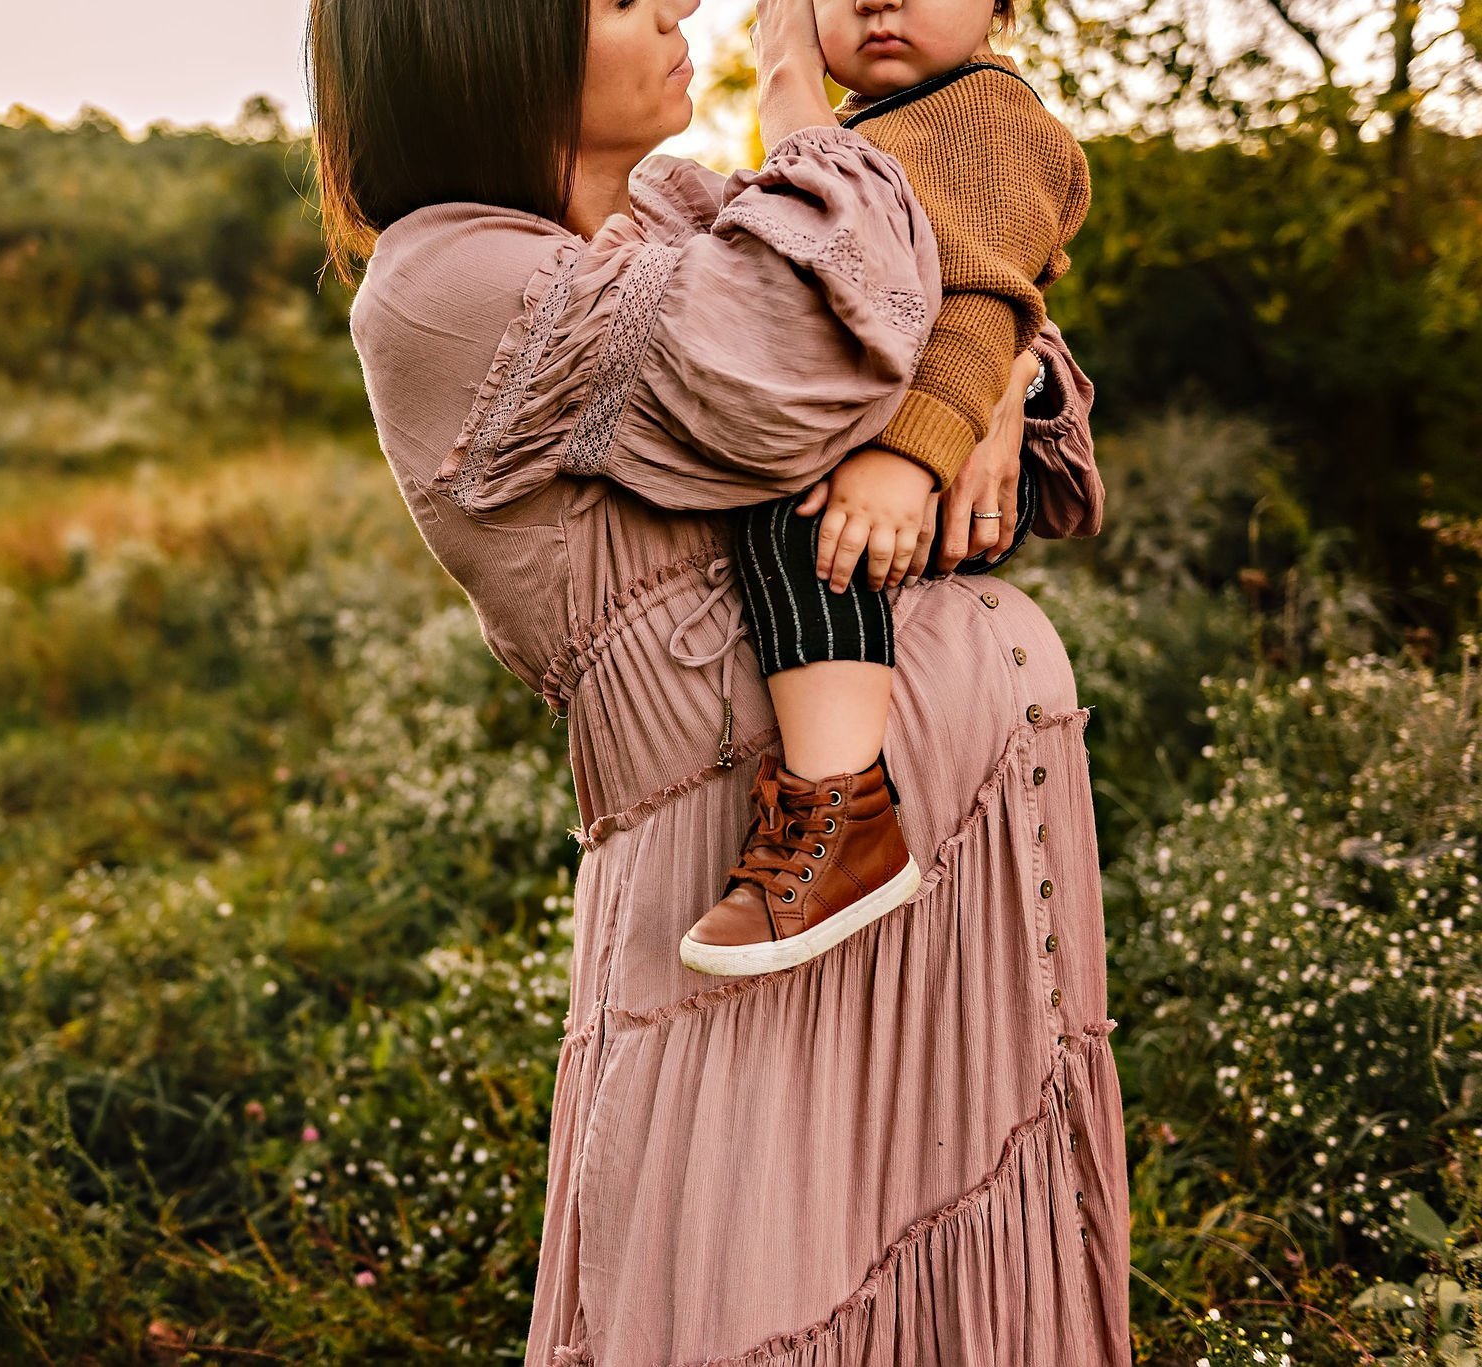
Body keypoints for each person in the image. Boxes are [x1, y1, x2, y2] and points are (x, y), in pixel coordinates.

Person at [308, 0, 1132, 1361]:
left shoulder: (675, 218)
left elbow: (1014, 402)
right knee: (745, 1282)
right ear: (490, 45)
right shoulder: (445, 278)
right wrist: (804, 97)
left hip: (946, 838)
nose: (681, 5)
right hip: (734, 862)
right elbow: (802, 359)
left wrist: (982, 388)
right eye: (625, 0)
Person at [679, 0, 1093, 977]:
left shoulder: (985, 111)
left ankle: (842, 812)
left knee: (804, 503)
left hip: (943, 461)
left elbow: (981, 307)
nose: (876, 0)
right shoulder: (889, 122)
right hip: (919, 437)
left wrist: (902, 459)